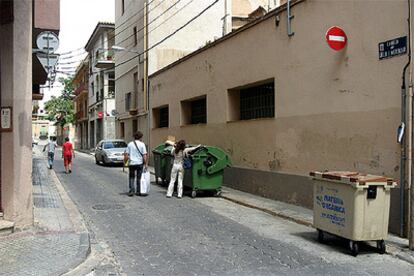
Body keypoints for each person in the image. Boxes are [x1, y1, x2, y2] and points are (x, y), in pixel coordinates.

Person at [125, 131, 148, 197]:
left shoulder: (130, 144)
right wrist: (146, 164)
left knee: (131, 177)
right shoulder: (142, 144)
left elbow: (126, 155)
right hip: (139, 163)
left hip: (132, 163)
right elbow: (144, 155)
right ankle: (138, 191)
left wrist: (125, 162)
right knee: (139, 177)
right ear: (140, 137)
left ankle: (131, 191)